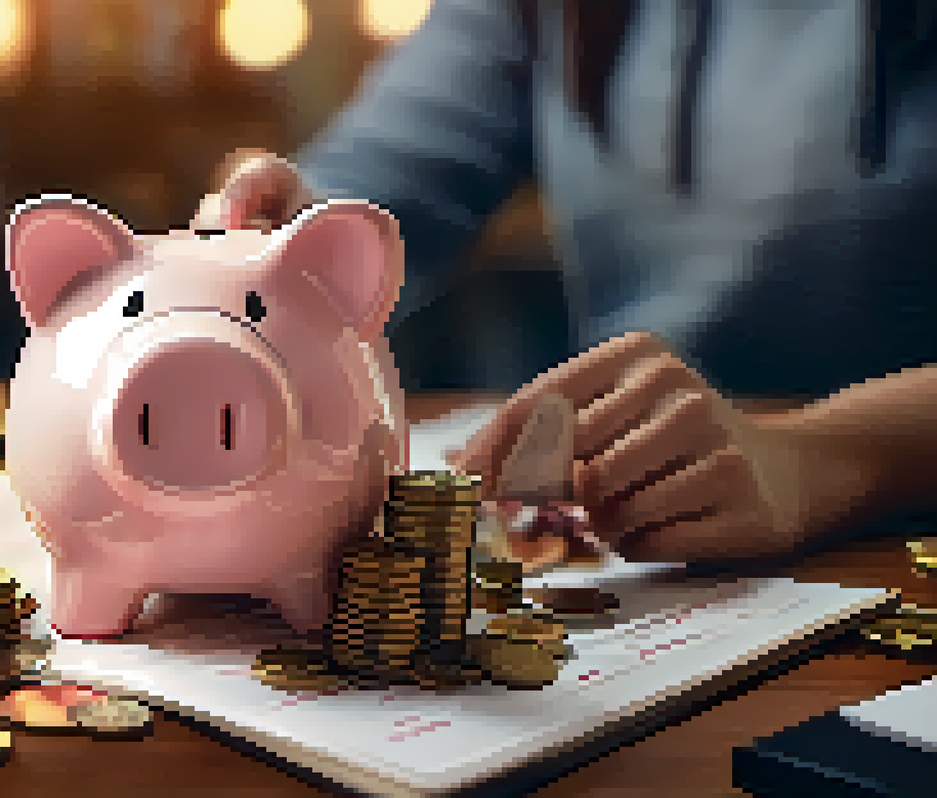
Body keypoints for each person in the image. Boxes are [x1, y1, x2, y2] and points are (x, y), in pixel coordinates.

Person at [193, 0, 937, 565]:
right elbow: (378, 187)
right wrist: (278, 241)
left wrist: (815, 458)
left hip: (892, 538)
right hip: (631, 535)